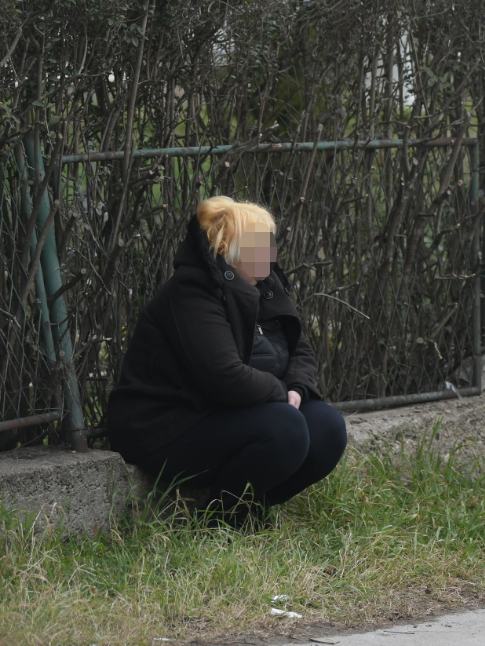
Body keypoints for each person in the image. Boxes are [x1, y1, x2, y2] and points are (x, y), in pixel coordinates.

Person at [107, 197, 347, 526]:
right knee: (286, 429)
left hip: (233, 413)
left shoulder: (266, 285)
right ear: (229, 247)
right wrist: (280, 393)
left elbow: (300, 349)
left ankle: (251, 506)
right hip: (168, 425)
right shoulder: (193, 293)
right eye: (260, 244)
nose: (271, 253)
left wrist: (297, 388)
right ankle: (221, 520)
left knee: (328, 428)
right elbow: (224, 376)